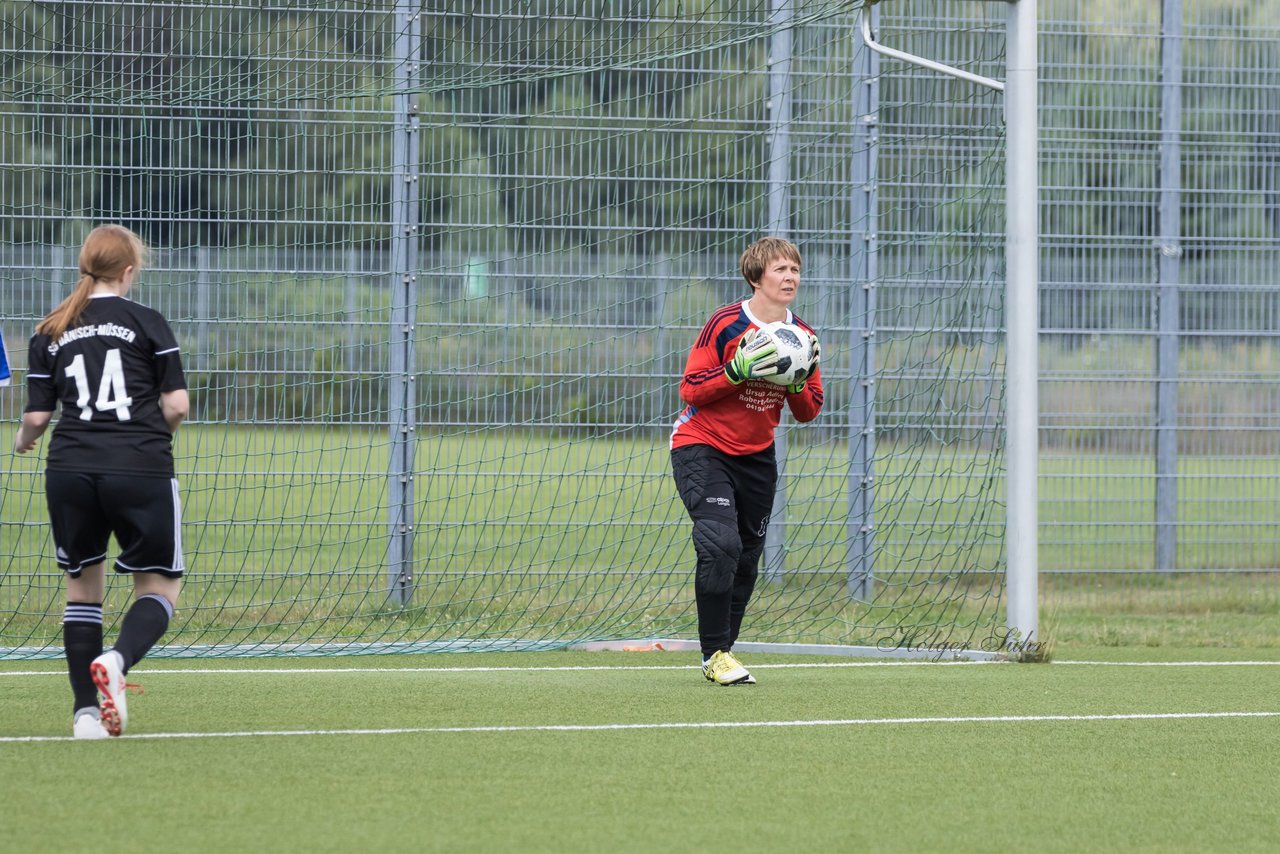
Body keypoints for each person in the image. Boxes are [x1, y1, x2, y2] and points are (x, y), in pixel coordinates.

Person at [14, 224, 189, 738]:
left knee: (81, 592)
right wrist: (154, 436)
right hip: (139, 466)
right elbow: (176, 405)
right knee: (160, 586)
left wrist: (23, 441)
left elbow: (38, 417)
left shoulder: (50, 329)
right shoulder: (149, 322)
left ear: (83, 266)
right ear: (129, 271)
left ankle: (85, 715)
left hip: (69, 470)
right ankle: (117, 660)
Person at [670, 236, 823, 685]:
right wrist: (736, 371)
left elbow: (810, 410)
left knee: (746, 559)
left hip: (757, 456)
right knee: (720, 545)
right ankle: (713, 654)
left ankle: (725, 652)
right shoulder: (725, 323)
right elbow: (691, 389)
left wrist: (795, 382)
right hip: (702, 444)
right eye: (780, 269)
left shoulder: (805, 337)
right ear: (756, 277)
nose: (790, 276)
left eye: (794, 269)